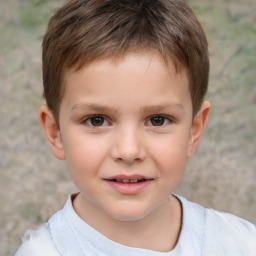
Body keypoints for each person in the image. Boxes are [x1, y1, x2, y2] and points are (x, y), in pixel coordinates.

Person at [14, 0, 256, 255]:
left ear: (194, 131)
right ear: (55, 133)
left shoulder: (241, 244)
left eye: (158, 120)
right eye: (97, 120)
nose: (128, 151)